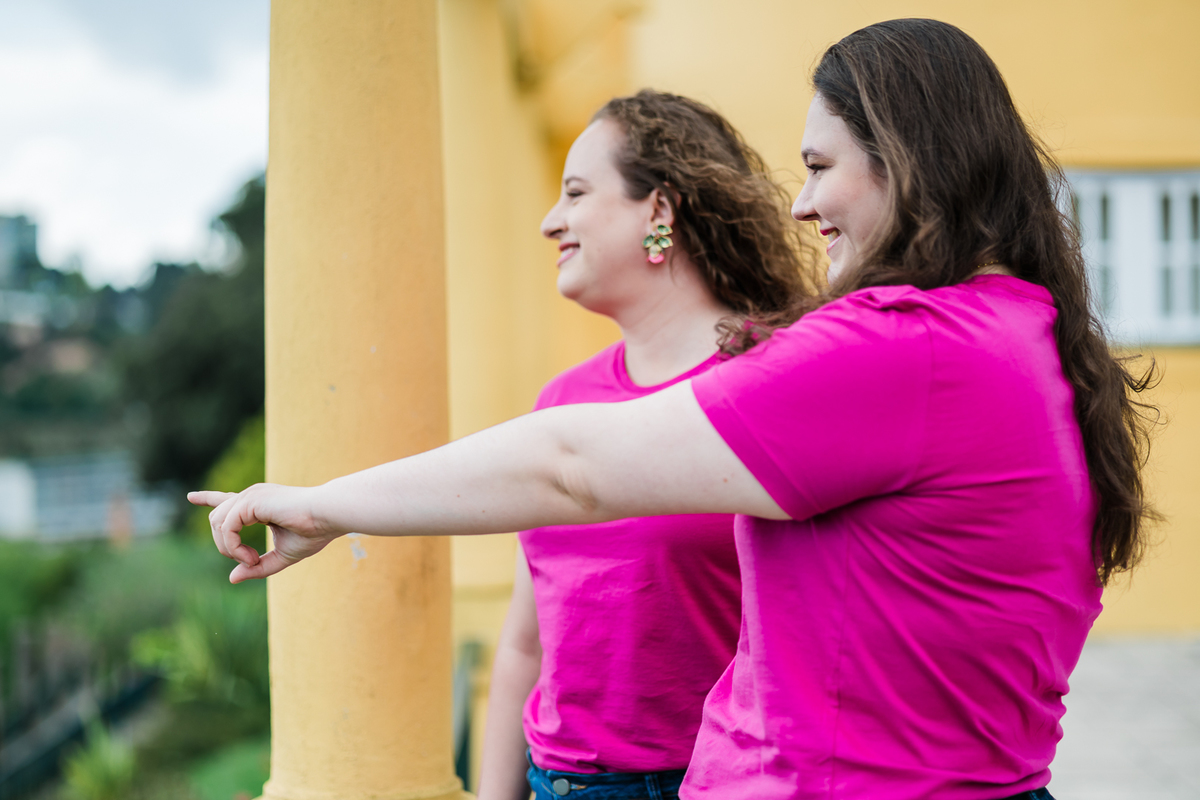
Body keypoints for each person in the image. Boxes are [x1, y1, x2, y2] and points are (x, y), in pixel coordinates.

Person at [192, 19, 1157, 800]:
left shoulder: (905, 346)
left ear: (903, 159)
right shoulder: (1019, 332)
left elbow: (573, 466)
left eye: (821, 167)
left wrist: (324, 505)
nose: (803, 204)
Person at [477, 91, 813, 800]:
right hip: (558, 786)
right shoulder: (562, 403)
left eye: (575, 192)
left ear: (659, 211)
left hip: (720, 785)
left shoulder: (773, 384)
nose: (550, 222)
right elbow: (523, 645)